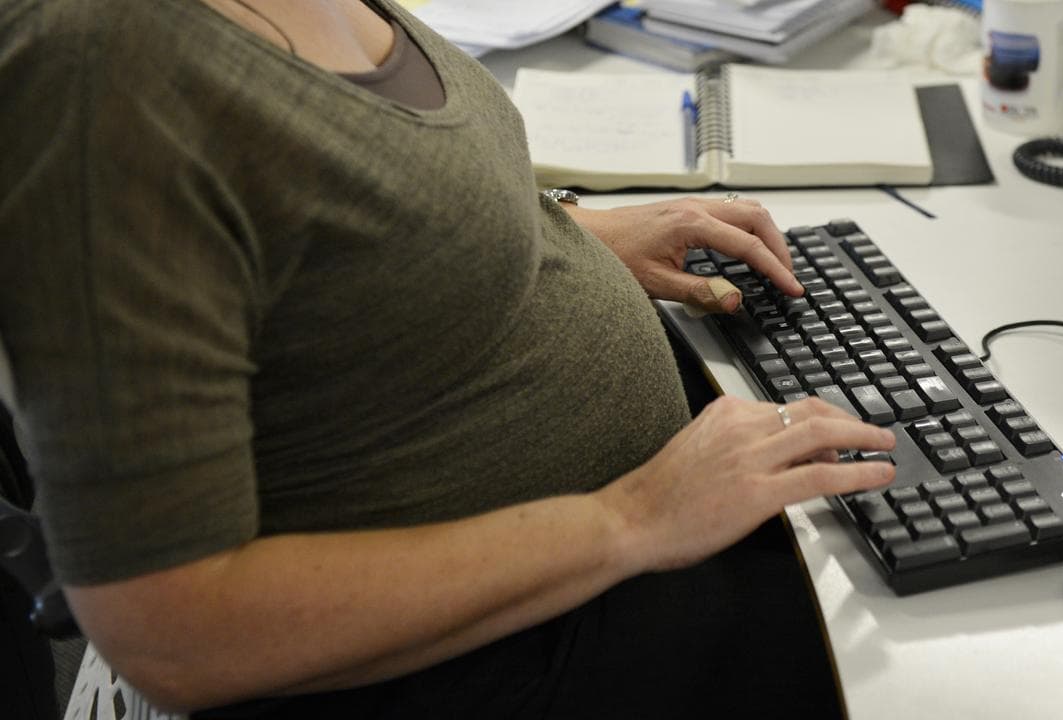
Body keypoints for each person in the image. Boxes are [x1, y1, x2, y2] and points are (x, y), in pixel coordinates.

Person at [0, 0, 896, 717]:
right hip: (489, 662)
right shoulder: (100, 70)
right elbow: (171, 631)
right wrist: (636, 520)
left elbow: (306, 214)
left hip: (594, 582)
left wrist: (541, 235)